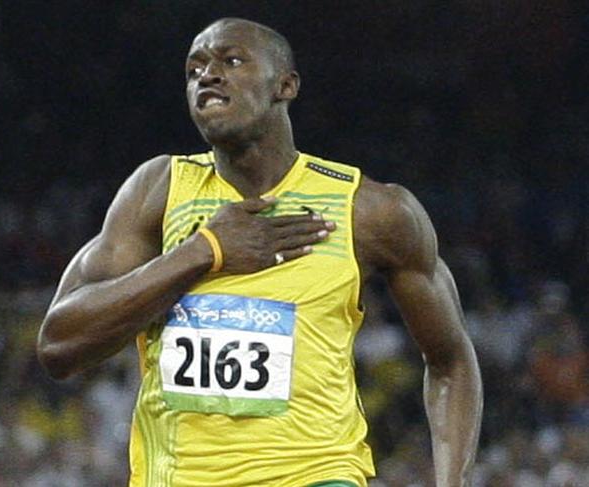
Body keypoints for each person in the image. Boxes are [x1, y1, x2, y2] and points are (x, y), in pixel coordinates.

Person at [37, 17, 483, 487]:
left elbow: (451, 358)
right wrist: (203, 251)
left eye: (231, 61)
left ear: (285, 85)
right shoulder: (159, 191)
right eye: (195, 69)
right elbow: (59, 345)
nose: (207, 76)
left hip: (316, 474)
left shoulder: (370, 210)